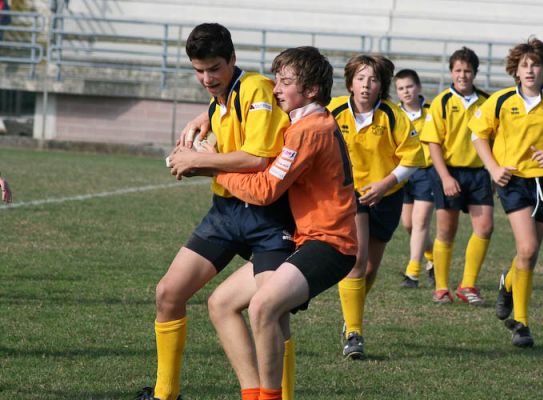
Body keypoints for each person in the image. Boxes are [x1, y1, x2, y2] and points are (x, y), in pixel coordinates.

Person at [136, 23, 296, 400]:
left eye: (214, 69)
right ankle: (165, 393)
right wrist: (203, 120)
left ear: (233, 60)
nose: (206, 78)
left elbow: (257, 158)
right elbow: (225, 120)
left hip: (269, 217)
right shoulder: (219, 100)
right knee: (168, 293)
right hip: (225, 212)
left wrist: (197, 160)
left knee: (271, 314)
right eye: (199, 70)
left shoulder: (255, 88)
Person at [212, 46, 358, 400]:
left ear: (310, 91)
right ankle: (253, 394)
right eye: (276, 80)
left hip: (331, 245)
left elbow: (264, 190)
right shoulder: (302, 124)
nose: (276, 88)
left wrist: (213, 167)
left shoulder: (311, 130)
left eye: (286, 82)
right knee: (221, 303)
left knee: (263, 306)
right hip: (305, 239)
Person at [469, 37, 543, 347]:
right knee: (526, 249)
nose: (529, 70)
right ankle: (521, 324)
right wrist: (494, 168)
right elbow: (477, 135)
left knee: (531, 253)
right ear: (516, 70)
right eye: (524, 65)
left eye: (535, 64)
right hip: (514, 182)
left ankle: (507, 283)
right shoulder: (500, 101)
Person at [328, 55, 425, 359]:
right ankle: (355, 333)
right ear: (350, 82)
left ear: (381, 85)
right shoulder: (332, 112)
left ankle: (350, 315)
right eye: (360, 78)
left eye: (372, 79)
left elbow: (414, 159)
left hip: (387, 196)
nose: (366, 85)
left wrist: (384, 185)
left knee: (370, 268)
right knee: (357, 261)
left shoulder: (393, 116)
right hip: (350, 194)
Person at [420, 47, 494, 306]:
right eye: (458, 70)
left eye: (467, 71)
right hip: (448, 172)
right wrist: (445, 178)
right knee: (446, 231)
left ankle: (467, 285)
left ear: (475, 73)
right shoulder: (441, 102)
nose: (462, 75)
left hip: (479, 173)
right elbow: (433, 144)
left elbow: (494, 139)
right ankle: (441, 288)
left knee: (485, 227)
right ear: (451, 72)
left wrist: (493, 171)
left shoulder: (487, 102)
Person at [394, 69, 436, 288]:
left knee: (420, 222)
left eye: (409, 86)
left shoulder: (432, 112)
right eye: (401, 88)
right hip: (404, 172)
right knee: (409, 224)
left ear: (418, 87)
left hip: (427, 172)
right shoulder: (396, 114)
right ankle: (433, 256)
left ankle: (412, 274)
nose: (406, 91)